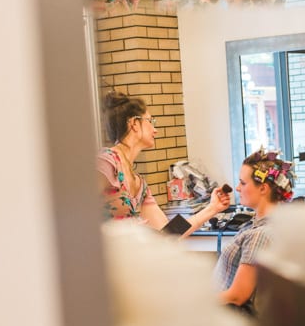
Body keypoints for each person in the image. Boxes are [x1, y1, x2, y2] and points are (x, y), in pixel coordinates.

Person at [96, 91, 229, 234]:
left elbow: (168, 234)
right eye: (150, 121)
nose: (155, 130)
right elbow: (76, 208)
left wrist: (212, 208)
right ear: (134, 123)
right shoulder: (107, 161)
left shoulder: (140, 185)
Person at [214, 149, 295, 316]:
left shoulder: (261, 234)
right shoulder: (256, 226)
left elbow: (237, 296)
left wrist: (194, 302)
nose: (237, 188)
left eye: (243, 183)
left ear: (263, 188)